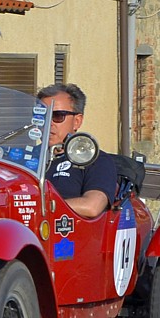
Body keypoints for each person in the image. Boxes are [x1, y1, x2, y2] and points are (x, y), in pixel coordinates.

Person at [37, 83, 117, 218]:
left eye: (57, 116)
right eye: (41, 115)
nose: (48, 122)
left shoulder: (96, 161)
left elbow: (92, 207)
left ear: (77, 121)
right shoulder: (24, 158)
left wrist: (40, 205)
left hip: (68, 233)